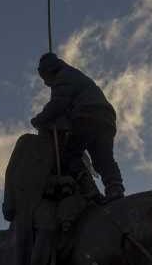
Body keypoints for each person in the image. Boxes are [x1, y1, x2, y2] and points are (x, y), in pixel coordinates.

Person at [31, 53, 124, 202]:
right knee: (102, 157)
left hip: (86, 115)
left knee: (70, 155)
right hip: (106, 118)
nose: (45, 82)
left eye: (45, 77)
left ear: (49, 70)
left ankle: (88, 188)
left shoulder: (62, 77)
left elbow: (58, 104)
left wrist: (39, 120)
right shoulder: (74, 75)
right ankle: (115, 188)